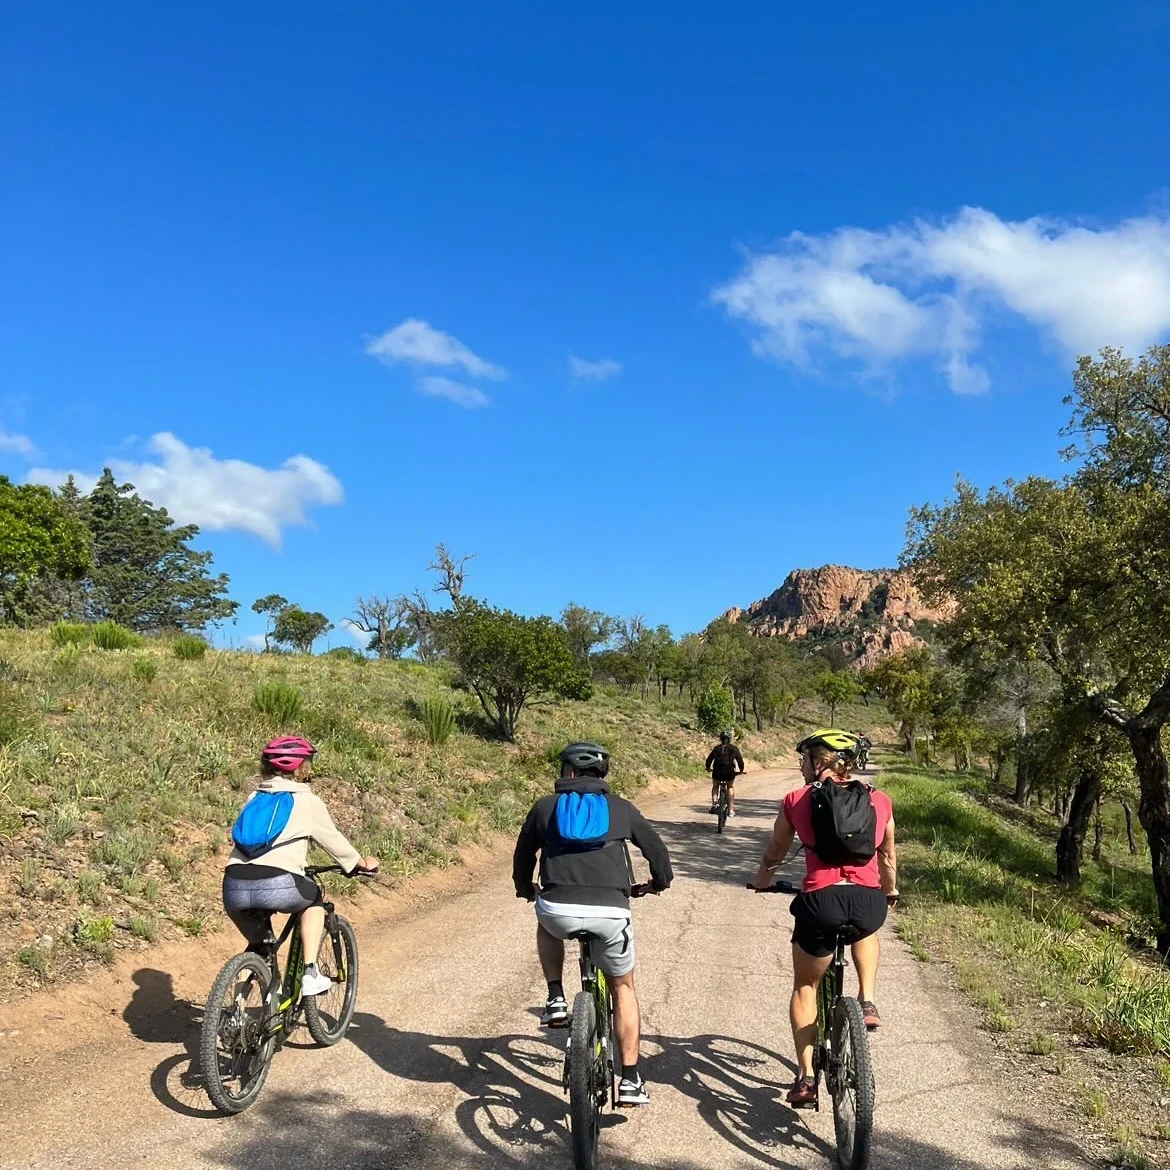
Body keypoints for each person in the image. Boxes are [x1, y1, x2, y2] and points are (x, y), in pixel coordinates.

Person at [512, 741, 673, 1107]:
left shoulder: (545, 807)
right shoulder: (621, 808)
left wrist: (526, 889)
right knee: (623, 988)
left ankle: (555, 996)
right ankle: (630, 1079)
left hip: (558, 909)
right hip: (611, 913)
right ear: (603, 774)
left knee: (545, 918)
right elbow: (658, 854)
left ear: (567, 772)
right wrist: (657, 883)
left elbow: (523, 854)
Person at [750, 728, 897, 1108]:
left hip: (821, 903)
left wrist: (762, 880)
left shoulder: (797, 799)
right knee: (866, 925)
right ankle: (866, 1001)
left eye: (804, 758)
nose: (801, 765)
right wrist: (889, 891)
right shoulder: (879, 801)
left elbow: (775, 851)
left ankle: (805, 1077)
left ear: (819, 762)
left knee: (805, 987)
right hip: (866, 901)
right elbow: (888, 858)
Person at [223, 736, 378, 996]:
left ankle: (235, 1009)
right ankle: (310, 973)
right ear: (300, 768)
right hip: (280, 884)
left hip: (234, 886)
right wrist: (360, 863)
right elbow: (335, 842)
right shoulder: (307, 802)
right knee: (313, 900)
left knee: (260, 945)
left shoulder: (253, 798)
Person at [705, 730, 745, 817]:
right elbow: (740, 761)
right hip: (729, 772)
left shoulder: (716, 748)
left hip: (717, 772)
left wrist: (708, 768)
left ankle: (714, 805)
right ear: (730, 739)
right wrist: (741, 770)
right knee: (730, 786)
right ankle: (730, 810)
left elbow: (709, 759)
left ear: (720, 739)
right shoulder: (734, 749)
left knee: (715, 786)